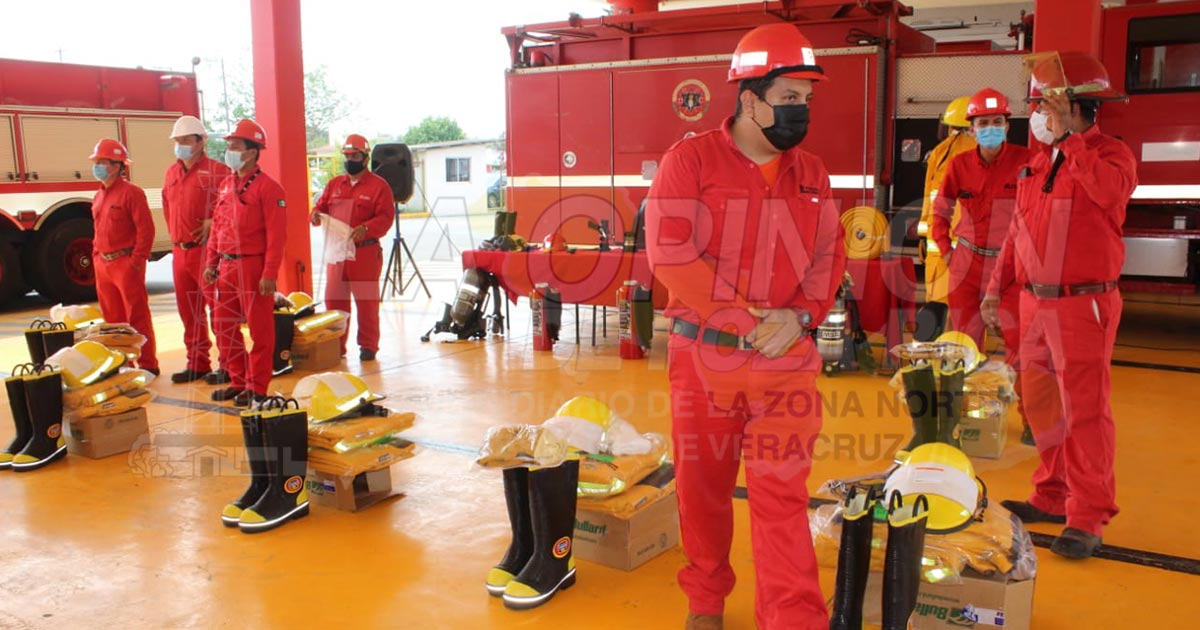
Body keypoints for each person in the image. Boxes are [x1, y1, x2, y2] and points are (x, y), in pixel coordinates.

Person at [645, 23, 845, 630]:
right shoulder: (691, 161)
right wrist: (739, 319)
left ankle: (791, 619)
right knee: (702, 493)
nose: (800, 110)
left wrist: (802, 317)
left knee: (780, 498)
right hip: (705, 362)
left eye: (807, 99)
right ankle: (706, 599)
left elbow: (829, 256)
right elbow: (669, 252)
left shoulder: (811, 173)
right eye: (789, 98)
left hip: (787, 362)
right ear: (749, 96)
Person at [983, 52, 1137, 559]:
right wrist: (994, 287)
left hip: (1082, 306)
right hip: (1033, 306)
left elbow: (1110, 193)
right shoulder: (1036, 163)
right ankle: (1051, 494)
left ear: (1074, 107)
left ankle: (1088, 515)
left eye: (1045, 106)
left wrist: (1071, 138)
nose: (1037, 117)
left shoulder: (1111, 156)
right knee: (1043, 407)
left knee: (1085, 413)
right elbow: (1016, 233)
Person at [933, 88, 1031, 358]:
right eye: (983, 123)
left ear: (1007, 126)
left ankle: (1015, 397)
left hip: (1009, 267)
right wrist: (946, 251)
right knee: (964, 342)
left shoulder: (1028, 162)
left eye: (997, 122)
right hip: (965, 262)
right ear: (972, 130)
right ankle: (965, 397)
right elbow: (940, 209)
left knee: (1017, 340)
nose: (991, 128)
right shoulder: (958, 165)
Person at [204, 119, 288, 407]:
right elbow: (218, 226)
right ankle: (238, 381)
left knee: (260, 331)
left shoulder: (269, 188)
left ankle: (257, 386)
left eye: (235, 146)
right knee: (224, 327)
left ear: (252, 152)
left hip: (253, 267)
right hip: (226, 267)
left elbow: (277, 236)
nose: (229, 151)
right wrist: (211, 261)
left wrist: (270, 273)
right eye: (228, 146)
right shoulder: (227, 185)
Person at [309, 134, 394, 361]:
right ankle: (336, 345)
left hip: (364, 253)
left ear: (365, 158)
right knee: (334, 302)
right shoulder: (335, 184)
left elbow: (386, 217)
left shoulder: (379, 187)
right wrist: (315, 216)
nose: (350, 160)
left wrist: (367, 228)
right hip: (337, 254)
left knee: (366, 303)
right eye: (346, 156)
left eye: (354, 155)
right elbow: (319, 208)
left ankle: (368, 346)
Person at [163, 115, 231, 384]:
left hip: (207, 252)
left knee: (219, 309)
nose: (180, 145)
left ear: (201, 141)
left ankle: (227, 363)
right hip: (181, 252)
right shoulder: (171, 173)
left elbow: (232, 207)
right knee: (189, 311)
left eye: (185, 140)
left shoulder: (218, 171)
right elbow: (169, 209)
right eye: (177, 141)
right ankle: (198, 362)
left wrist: (214, 222)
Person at [89, 138, 159, 375]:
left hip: (124, 262)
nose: (97, 166)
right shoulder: (98, 196)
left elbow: (146, 230)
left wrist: (137, 261)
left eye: (102, 162)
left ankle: (148, 364)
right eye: (96, 161)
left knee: (136, 315)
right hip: (103, 263)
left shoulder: (132, 193)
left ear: (118, 166)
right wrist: (96, 257)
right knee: (113, 320)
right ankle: (123, 364)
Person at [919, 96, 976, 306]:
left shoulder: (942, 152)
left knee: (938, 310)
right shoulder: (986, 153)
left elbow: (930, 197)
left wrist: (925, 234)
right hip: (971, 249)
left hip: (942, 248)